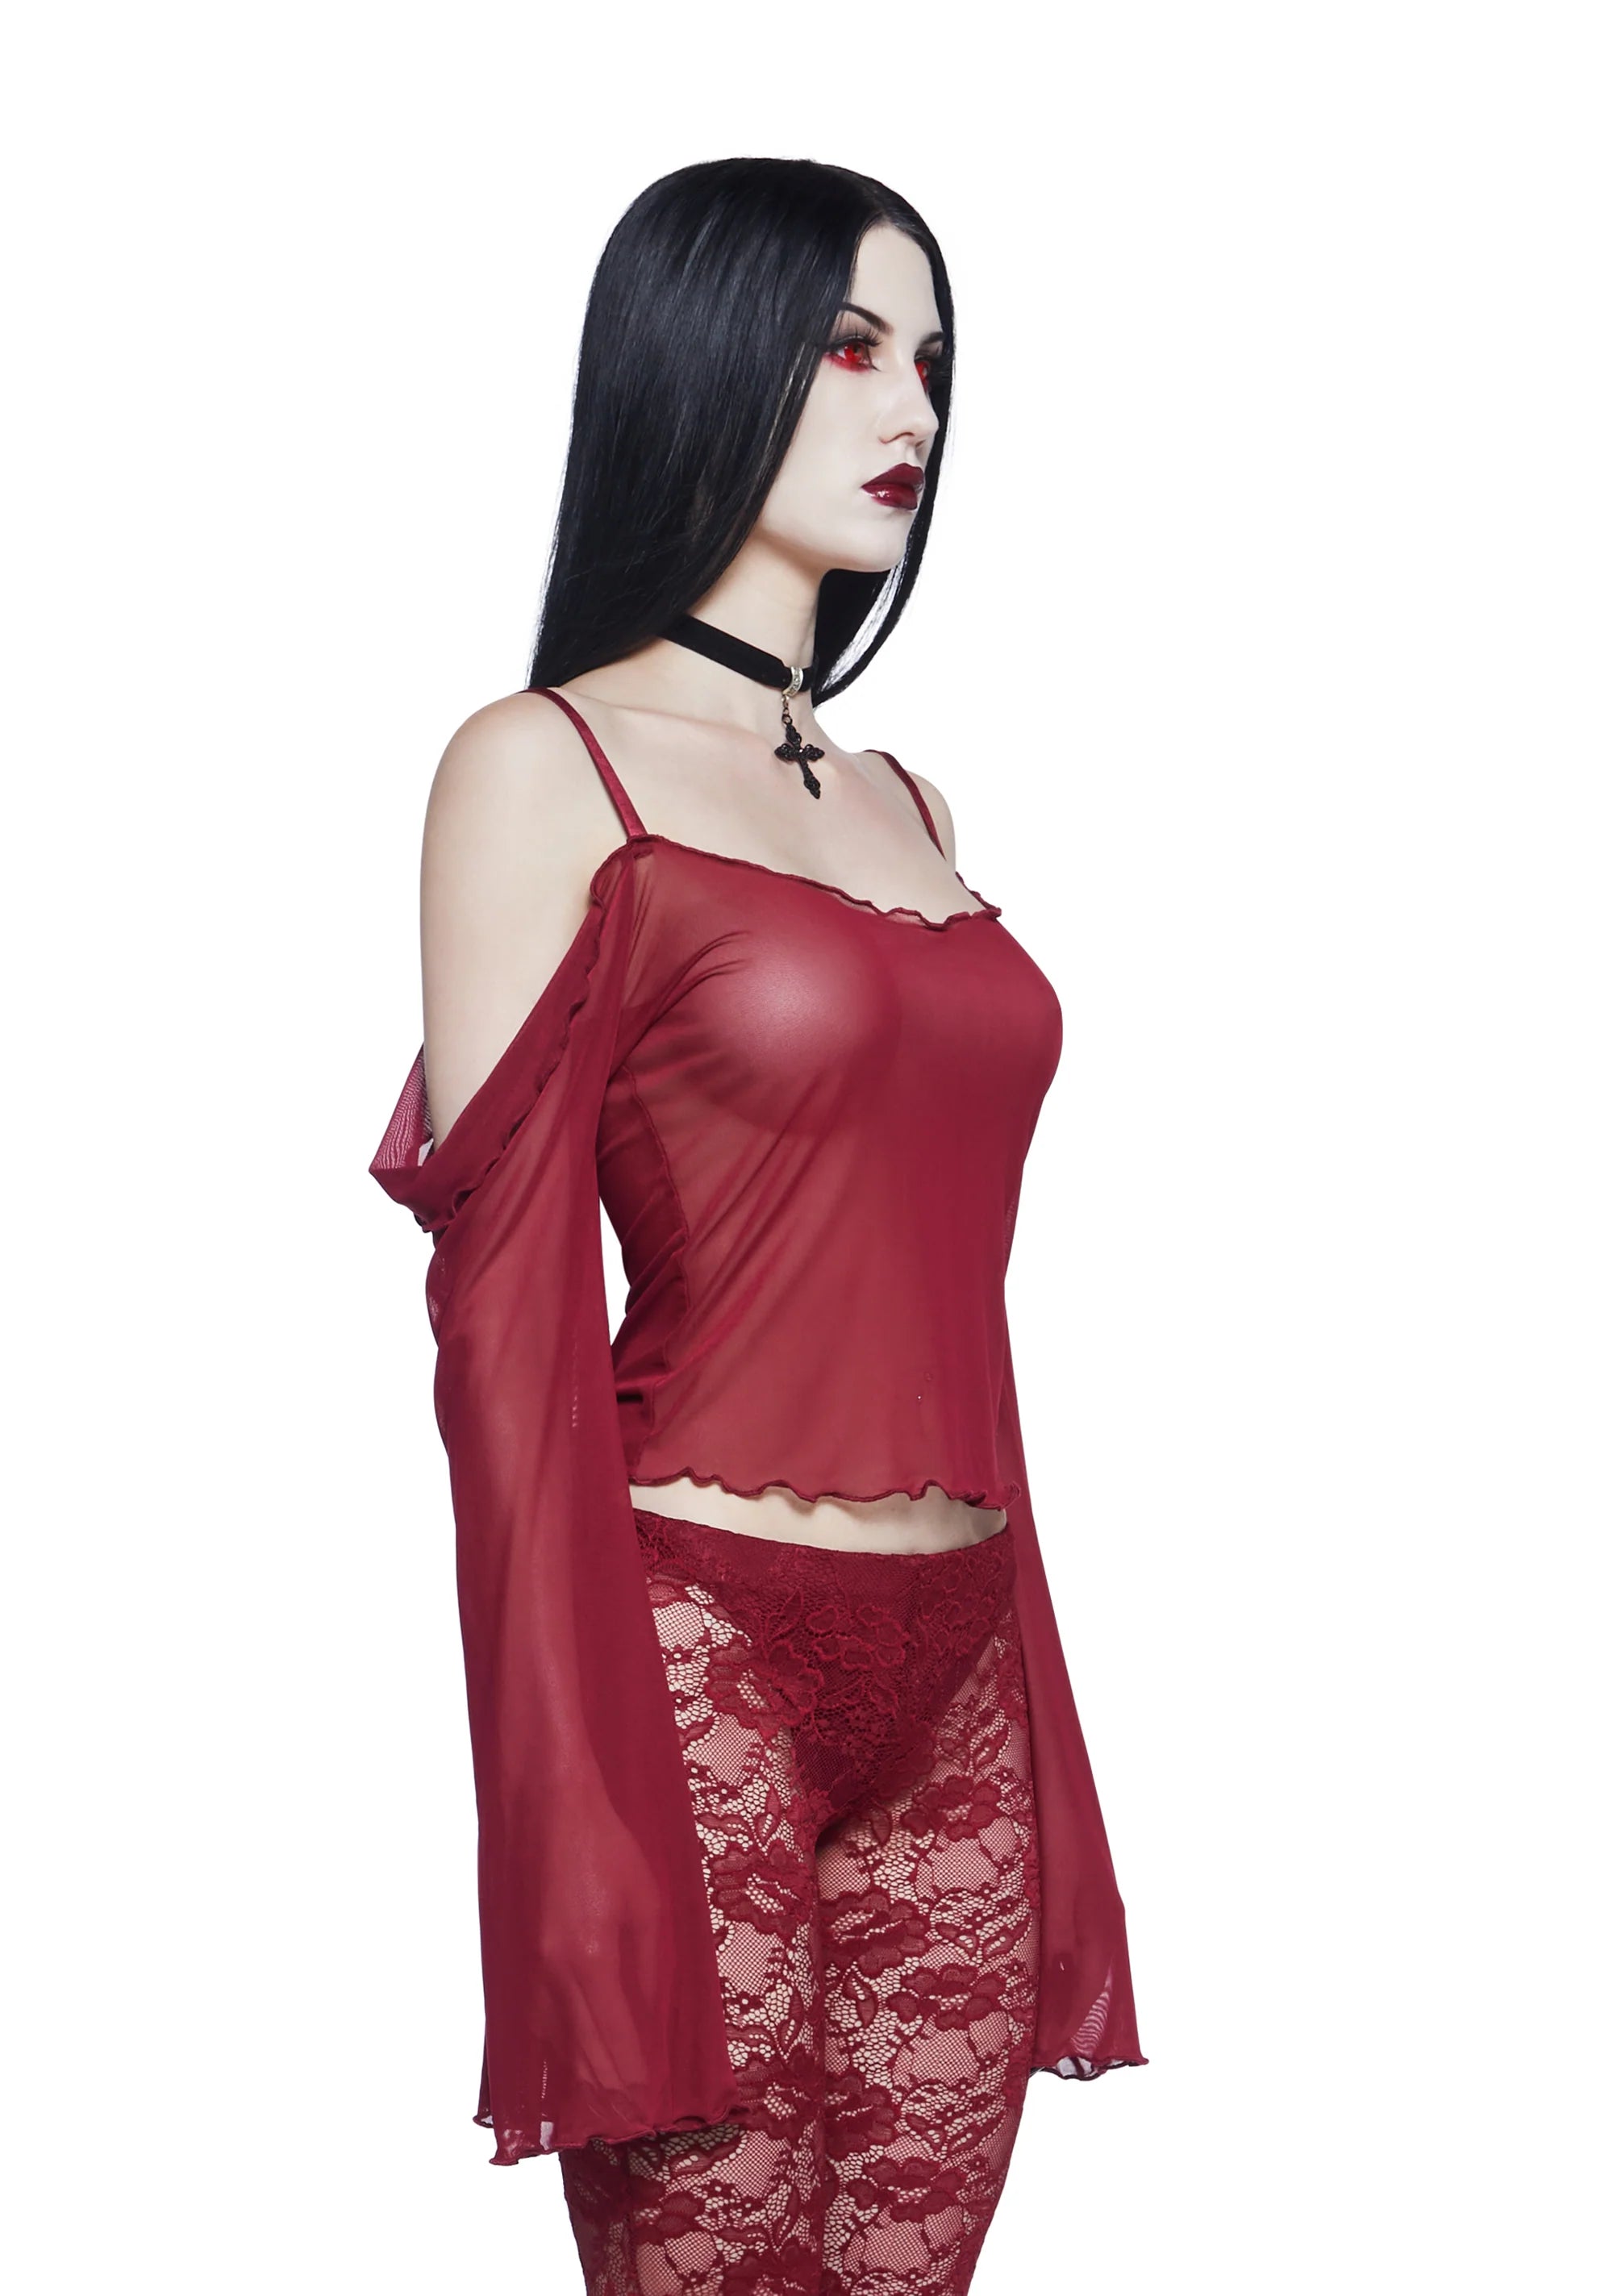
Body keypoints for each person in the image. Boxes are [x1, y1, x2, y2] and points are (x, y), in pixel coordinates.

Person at [370, 156, 1146, 2296]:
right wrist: (563, 1800)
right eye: (849, 346)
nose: (914, 406)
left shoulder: (909, 809)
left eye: (933, 358)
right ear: (704, 362)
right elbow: (500, 1325)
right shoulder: (544, 770)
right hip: (692, 1650)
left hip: (962, 1657)